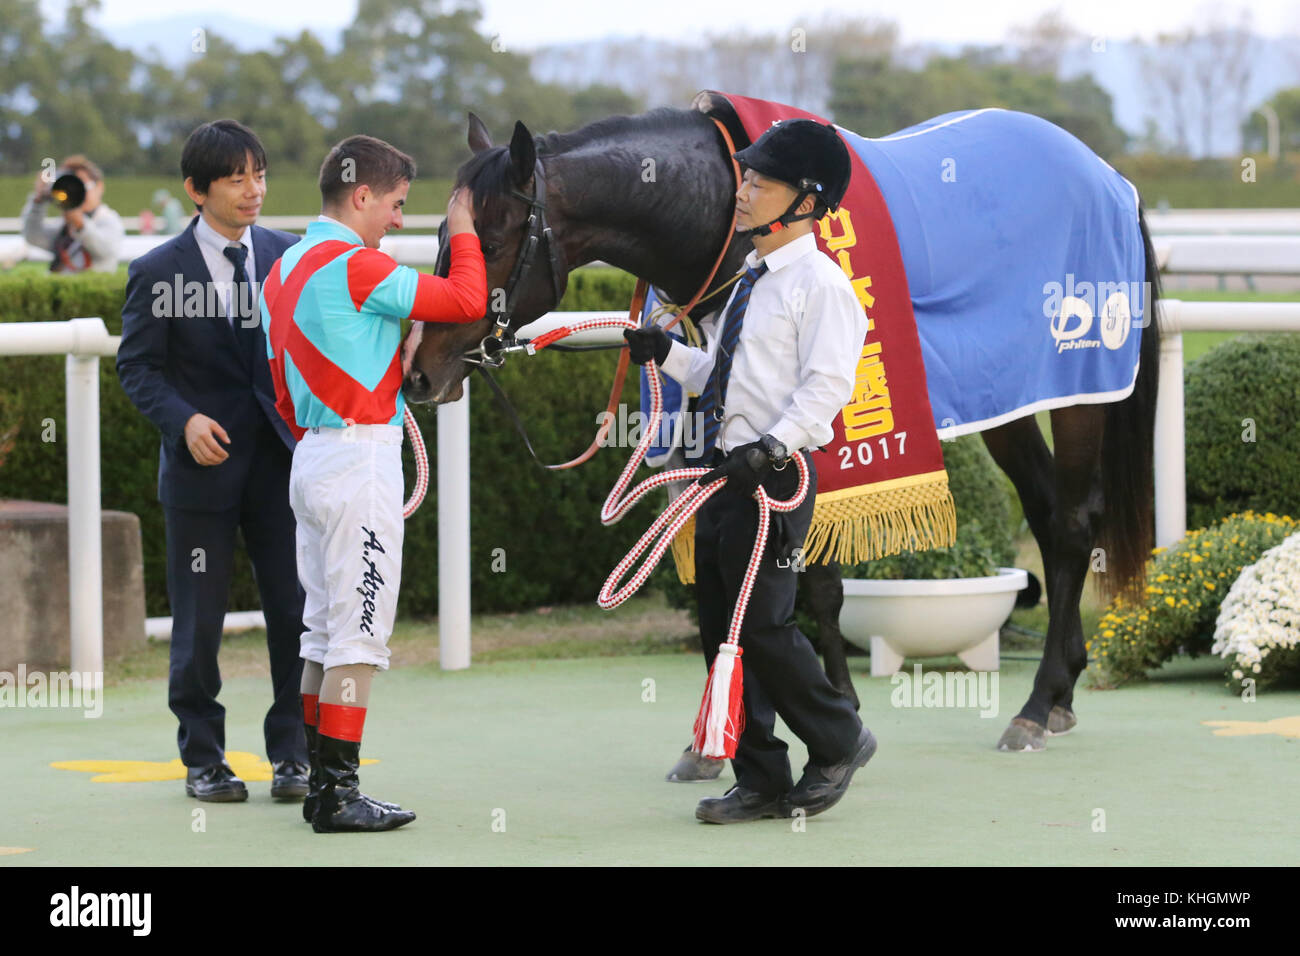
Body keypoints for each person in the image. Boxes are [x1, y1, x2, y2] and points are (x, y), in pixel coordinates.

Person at [624, 119, 876, 824]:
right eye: (748, 177)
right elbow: (721, 376)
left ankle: (840, 738)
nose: (745, 190)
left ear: (807, 199)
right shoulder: (754, 279)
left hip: (775, 478)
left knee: (763, 626)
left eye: (761, 182)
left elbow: (827, 389)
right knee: (722, 630)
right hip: (727, 475)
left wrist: (770, 448)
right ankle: (760, 777)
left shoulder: (821, 286)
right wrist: (665, 352)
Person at [261, 134, 486, 833]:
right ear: (361, 195)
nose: (396, 220)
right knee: (357, 637)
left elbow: (281, 388)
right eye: (394, 205)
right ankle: (337, 793)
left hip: (312, 459)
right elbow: (468, 295)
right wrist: (464, 228)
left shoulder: (283, 267)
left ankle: (317, 778)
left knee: (320, 633)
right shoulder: (359, 267)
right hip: (359, 464)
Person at [116, 120, 309, 804]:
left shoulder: (291, 256)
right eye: (236, 178)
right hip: (200, 472)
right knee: (198, 624)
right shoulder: (156, 270)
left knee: (295, 610)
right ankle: (203, 760)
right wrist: (183, 419)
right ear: (196, 190)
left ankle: (295, 755)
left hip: (284, 468)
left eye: (258, 174)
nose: (253, 190)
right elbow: (137, 368)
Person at [21, 155, 125, 273]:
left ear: (100, 187)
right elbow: (33, 237)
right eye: (73, 185)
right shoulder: (64, 224)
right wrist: (38, 201)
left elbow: (105, 250)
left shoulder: (108, 219)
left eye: (83, 185)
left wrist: (80, 224)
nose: (79, 191)